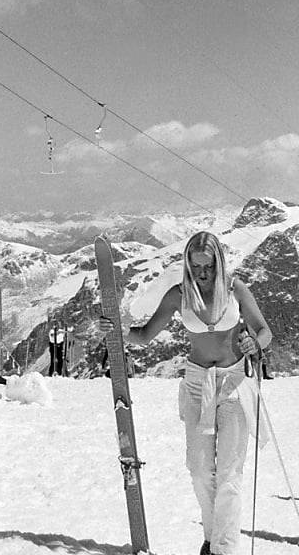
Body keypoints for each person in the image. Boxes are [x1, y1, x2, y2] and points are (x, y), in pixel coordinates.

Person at [98, 231, 271, 555]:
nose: (202, 273)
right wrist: (119, 330)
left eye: (208, 267)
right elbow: (146, 336)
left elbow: (265, 331)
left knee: (230, 472)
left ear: (218, 263)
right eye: (196, 266)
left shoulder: (235, 289)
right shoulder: (179, 295)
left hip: (234, 382)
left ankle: (223, 549)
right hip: (196, 383)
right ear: (188, 265)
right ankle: (212, 535)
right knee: (199, 469)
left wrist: (254, 343)